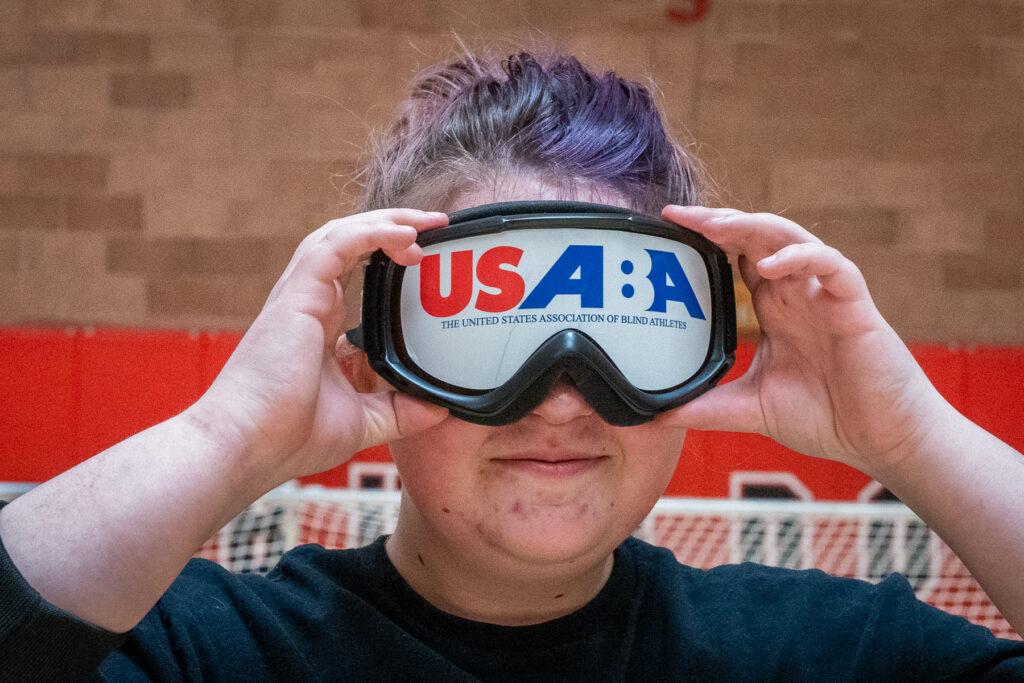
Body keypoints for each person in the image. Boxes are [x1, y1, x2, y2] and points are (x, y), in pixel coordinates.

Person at [1, 50, 1023, 681]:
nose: (563, 398)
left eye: (619, 336)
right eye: (492, 336)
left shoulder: (818, 654)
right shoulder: (206, 652)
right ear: (374, 361)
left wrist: (909, 433)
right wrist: (218, 439)